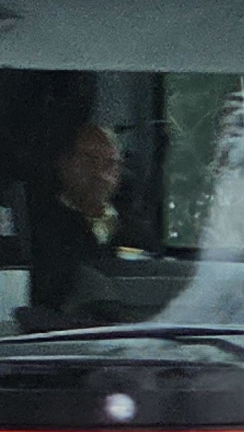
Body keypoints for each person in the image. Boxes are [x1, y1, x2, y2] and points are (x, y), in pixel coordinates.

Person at [26, 122, 151, 320]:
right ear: (64, 163)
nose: (100, 174)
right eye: (89, 161)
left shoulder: (138, 231)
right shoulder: (37, 225)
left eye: (110, 164)